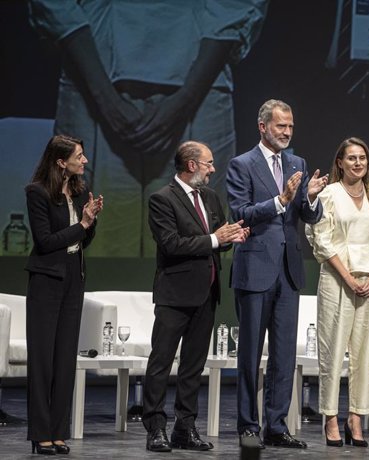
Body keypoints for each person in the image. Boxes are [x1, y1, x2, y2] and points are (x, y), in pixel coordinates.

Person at [28, 0, 268, 256]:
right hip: (92, 78)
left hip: (199, 78)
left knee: (198, 235)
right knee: (93, 244)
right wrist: (103, 95)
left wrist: (186, 98)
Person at [226, 99, 328, 449]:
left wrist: (311, 199)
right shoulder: (241, 165)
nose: (286, 132)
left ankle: (276, 424)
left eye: (290, 126)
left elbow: (307, 216)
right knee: (250, 354)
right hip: (255, 268)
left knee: (284, 354)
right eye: (280, 126)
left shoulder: (297, 163)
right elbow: (240, 211)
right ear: (263, 127)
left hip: (288, 271)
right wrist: (281, 201)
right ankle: (248, 425)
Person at [142, 141, 248, 452]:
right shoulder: (162, 200)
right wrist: (216, 239)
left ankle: (184, 428)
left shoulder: (211, 197)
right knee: (161, 363)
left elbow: (217, 238)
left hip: (206, 293)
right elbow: (172, 244)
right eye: (209, 163)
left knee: (193, 365)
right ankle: (156, 428)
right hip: (174, 294)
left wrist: (232, 237)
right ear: (191, 165)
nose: (213, 169)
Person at [305, 137, 369, 447]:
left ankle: (356, 417)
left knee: (365, 353)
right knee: (332, 351)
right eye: (351, 158)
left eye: (362, 158)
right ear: (340, 163)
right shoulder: (329, 195)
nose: (358, 163)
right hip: (336, 279)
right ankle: (330, 418)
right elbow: (322, 240)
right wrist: (347, 277)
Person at [25, 134, 103, 455]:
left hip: (74, 276)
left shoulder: (80, 190)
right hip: (47, 279)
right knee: (43, 360)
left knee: (64, 359)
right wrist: (82, 224)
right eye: (79, 156)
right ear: (61, 161)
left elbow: (82, 240)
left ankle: (58, 432)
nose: (84, 161)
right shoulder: (38, 192)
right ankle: (40, 433)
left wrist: (91, 221)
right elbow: (45, 241)